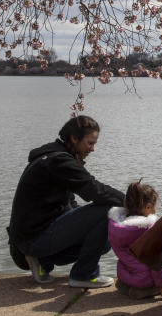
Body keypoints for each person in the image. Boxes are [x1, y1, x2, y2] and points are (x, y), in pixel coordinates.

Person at [7, 115, 124, 288]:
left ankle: (41, 261)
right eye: (90, 143)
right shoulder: (59, 161)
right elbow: (94, 189)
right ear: (74, 138)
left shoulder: (55, 158)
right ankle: (83, 275)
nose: (92, 149)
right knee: (107, 211)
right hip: (32, 239)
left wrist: (86, 226)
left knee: (103, 240)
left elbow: (69, 203)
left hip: (28, 238)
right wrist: (131, 201)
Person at [107, 180, 162, 299]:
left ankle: (127, 286)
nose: (155, 211)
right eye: (154, 207)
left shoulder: (115, 226)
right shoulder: (148, 231)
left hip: (125, 274)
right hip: (145, 279)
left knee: (133, 266)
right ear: (148, 207)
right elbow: (157, 264)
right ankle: (144, 291)